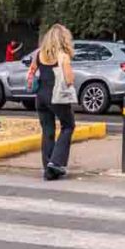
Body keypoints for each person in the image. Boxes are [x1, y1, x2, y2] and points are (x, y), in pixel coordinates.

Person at [26, 24, 77, 180]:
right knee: (68, 125)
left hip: (41, 97)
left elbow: (31, 71)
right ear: (63, 39)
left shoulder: (39, 54)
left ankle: (48, 167)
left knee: (48, 130)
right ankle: (55, 163)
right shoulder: (63, 56)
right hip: (57, 97)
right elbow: (69, 80)